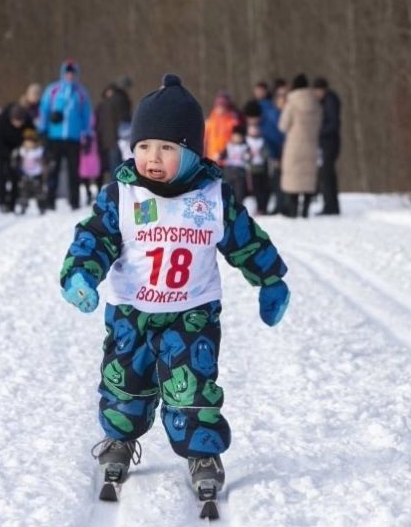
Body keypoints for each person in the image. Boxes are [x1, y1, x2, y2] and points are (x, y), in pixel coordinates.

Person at [59, 74, 290, 504]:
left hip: (193, 315)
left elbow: (246, 239)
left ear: (190, 153)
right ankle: (119, 440)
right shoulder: (121, 196)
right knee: (125, 381)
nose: (153, 157)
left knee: (195, 387)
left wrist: (270, 278)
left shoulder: (214, 198)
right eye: (144, 146)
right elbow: (93, 240)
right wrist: (80, 274)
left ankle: (202, 453)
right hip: (132, 313)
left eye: (167, 148)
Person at [38, 59, 92, 210]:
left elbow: (86, 116)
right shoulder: (53, 90)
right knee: (53, 170)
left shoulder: (81, 93)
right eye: (67, 73)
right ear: (63, 73)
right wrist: (43, 129)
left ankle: (74, 201)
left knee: (74, 171)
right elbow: (44, 110)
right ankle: (50, 200)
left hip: (73, 138)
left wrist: (87, 135)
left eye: (72, 73)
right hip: (54, 137)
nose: (69, 76)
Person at [278, 74, 321, 218]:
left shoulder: (291, 103)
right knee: (307, 180)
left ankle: (293, 211)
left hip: (294, 146)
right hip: (311, 145)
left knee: (293, 180)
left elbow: (283, 126)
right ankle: (305, 211)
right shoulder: (315, 103)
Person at [0, 104, 33, 213]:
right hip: (1, 151)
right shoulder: (0, 121)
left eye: (20, 122)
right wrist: (8, 153)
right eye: (16, 122)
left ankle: (13, 201)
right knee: (1, 174)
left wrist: (24, 148)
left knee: (16, 176)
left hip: (19, 150)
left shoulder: (28, 122)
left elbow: (31, 137)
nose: (18, 125)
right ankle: (2, 201)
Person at [313, 77, 341, 215]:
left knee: (326, 174)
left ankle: (330, 206)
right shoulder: (327, 100)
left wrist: (318, 132)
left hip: (329, 142)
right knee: (327, 174)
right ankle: (331, 205)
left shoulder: (330, 101)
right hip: (327, 142)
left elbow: (333, 124)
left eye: (318, 90)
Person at [95, 78, 132, 183]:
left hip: (107, 140)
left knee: (114, 170)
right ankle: (120, 194)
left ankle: (114, 194)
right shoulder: (122, 99)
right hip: (119, 140)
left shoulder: (104, 103)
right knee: (121, 170)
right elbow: (124, 121)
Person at [203, 91, 240, 168]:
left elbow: (236, 140)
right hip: (211, 159)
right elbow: (205, 140)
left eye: (222, 106)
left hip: (228, 161)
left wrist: (223, 154)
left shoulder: (233, 121)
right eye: (218, 106)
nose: (220, 108)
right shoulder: (210, 122)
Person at [15, 129, 46, 215]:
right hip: (25, 173)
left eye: (30, 143)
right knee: (24, 192)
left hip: (36, 174)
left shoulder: (38, 152)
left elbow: (43, 162)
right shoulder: (22, 151)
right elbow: (18, 161)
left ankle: (41, 207)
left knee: (39, 192)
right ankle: (23, 206)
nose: (28, 145)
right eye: (26, 142)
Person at [219, 126, 250, 202]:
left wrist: (247, 156)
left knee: (239, 191)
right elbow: (223, 154)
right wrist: (219, 156)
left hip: (240, 171)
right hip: (229, 170)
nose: (237, 138)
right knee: (227, 189)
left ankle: (238, 204)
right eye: (235, 136)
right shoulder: (229, 145)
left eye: (239, 137)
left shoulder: (245, 146)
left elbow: (249, 157)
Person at [245, 122, 270, 215]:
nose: (254, 131)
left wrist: (263, 154)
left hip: (262, 169)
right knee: (253, 190)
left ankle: (262, 207)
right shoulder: (246, 141)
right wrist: (247, 156)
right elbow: (243, 153)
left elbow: (266, 153)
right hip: (251, 170)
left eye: (256, 129)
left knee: (262, 189)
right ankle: (254, 208)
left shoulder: (262, 141)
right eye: (252, 129)